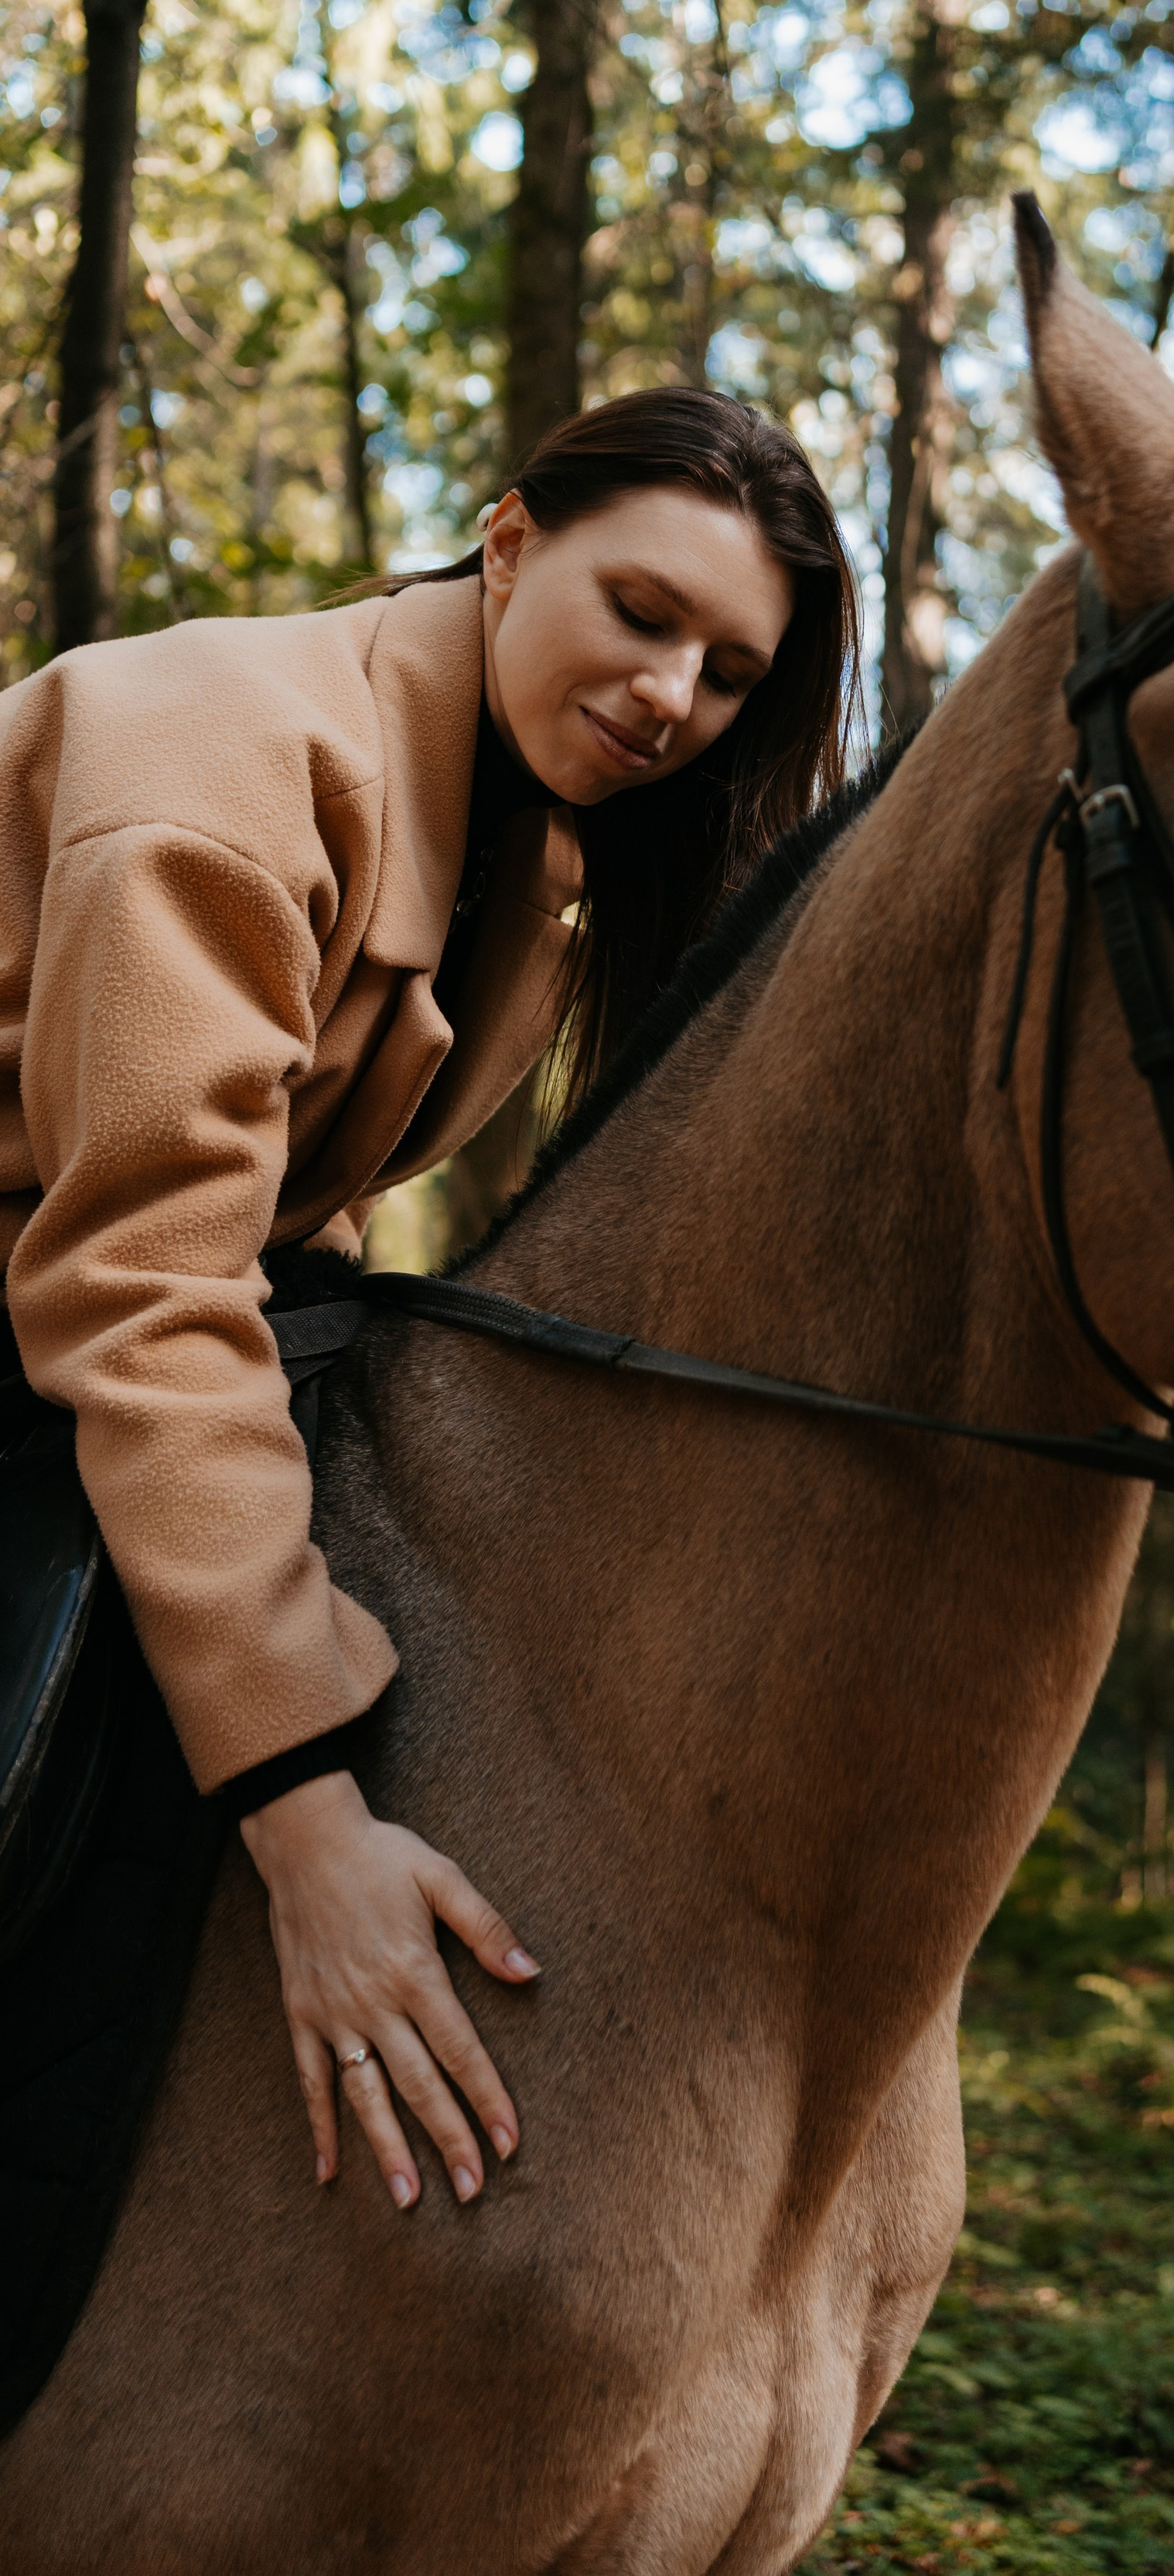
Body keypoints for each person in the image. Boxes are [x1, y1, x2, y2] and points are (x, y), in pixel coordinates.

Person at [0, 387, 859, 2213]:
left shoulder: (535, 865)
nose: (668, 698)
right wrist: (304, 1820)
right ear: (509, 537)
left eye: (723, 674)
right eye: (642, 612)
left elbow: (281, 1223)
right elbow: (144, 1279)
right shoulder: (221, 767)